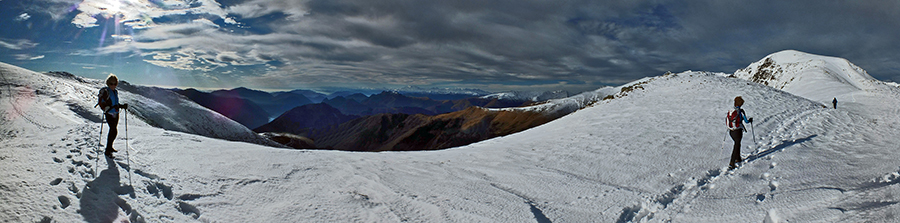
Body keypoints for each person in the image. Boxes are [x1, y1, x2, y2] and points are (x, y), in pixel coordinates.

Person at [97, 74, 128, 159]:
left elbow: (115, 103)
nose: (113, 85)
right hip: (109, 113)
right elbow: (103, 102)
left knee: (114, 131)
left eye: (115, 83)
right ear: (108, 83)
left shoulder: (115, 92)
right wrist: (106, 108)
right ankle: (108, 150)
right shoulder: (106, 92)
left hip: (115, 113)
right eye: (111, 83)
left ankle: (110, 147)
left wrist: (122, 106)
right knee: (113, 130)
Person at [726, 96, 752, 170]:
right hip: (738, 131)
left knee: (737, 144)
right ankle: (732, 162)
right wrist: (750, 120)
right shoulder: (741, 111)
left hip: (731, 131)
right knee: (736, 145)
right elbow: (746, 121)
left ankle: (738, 158)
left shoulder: (731, 111)